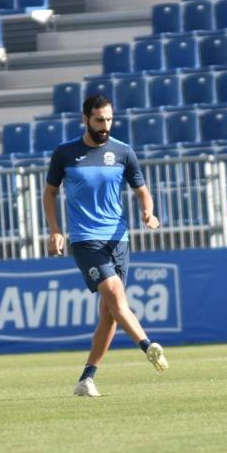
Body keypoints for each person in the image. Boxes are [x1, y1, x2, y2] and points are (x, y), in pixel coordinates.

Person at [43, 94, 169, 397]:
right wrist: (55, 231)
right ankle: (147, 345)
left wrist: (148, 211)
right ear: (85, 119)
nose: (105, 125)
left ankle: (87, 378)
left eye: (109, 119)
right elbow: (49, 193)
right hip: (86, 240)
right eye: (99, 120)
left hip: (119, 239)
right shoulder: (65, 153)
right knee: (114, 294)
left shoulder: (123, 152)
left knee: (110, 313)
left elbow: (142, 191)